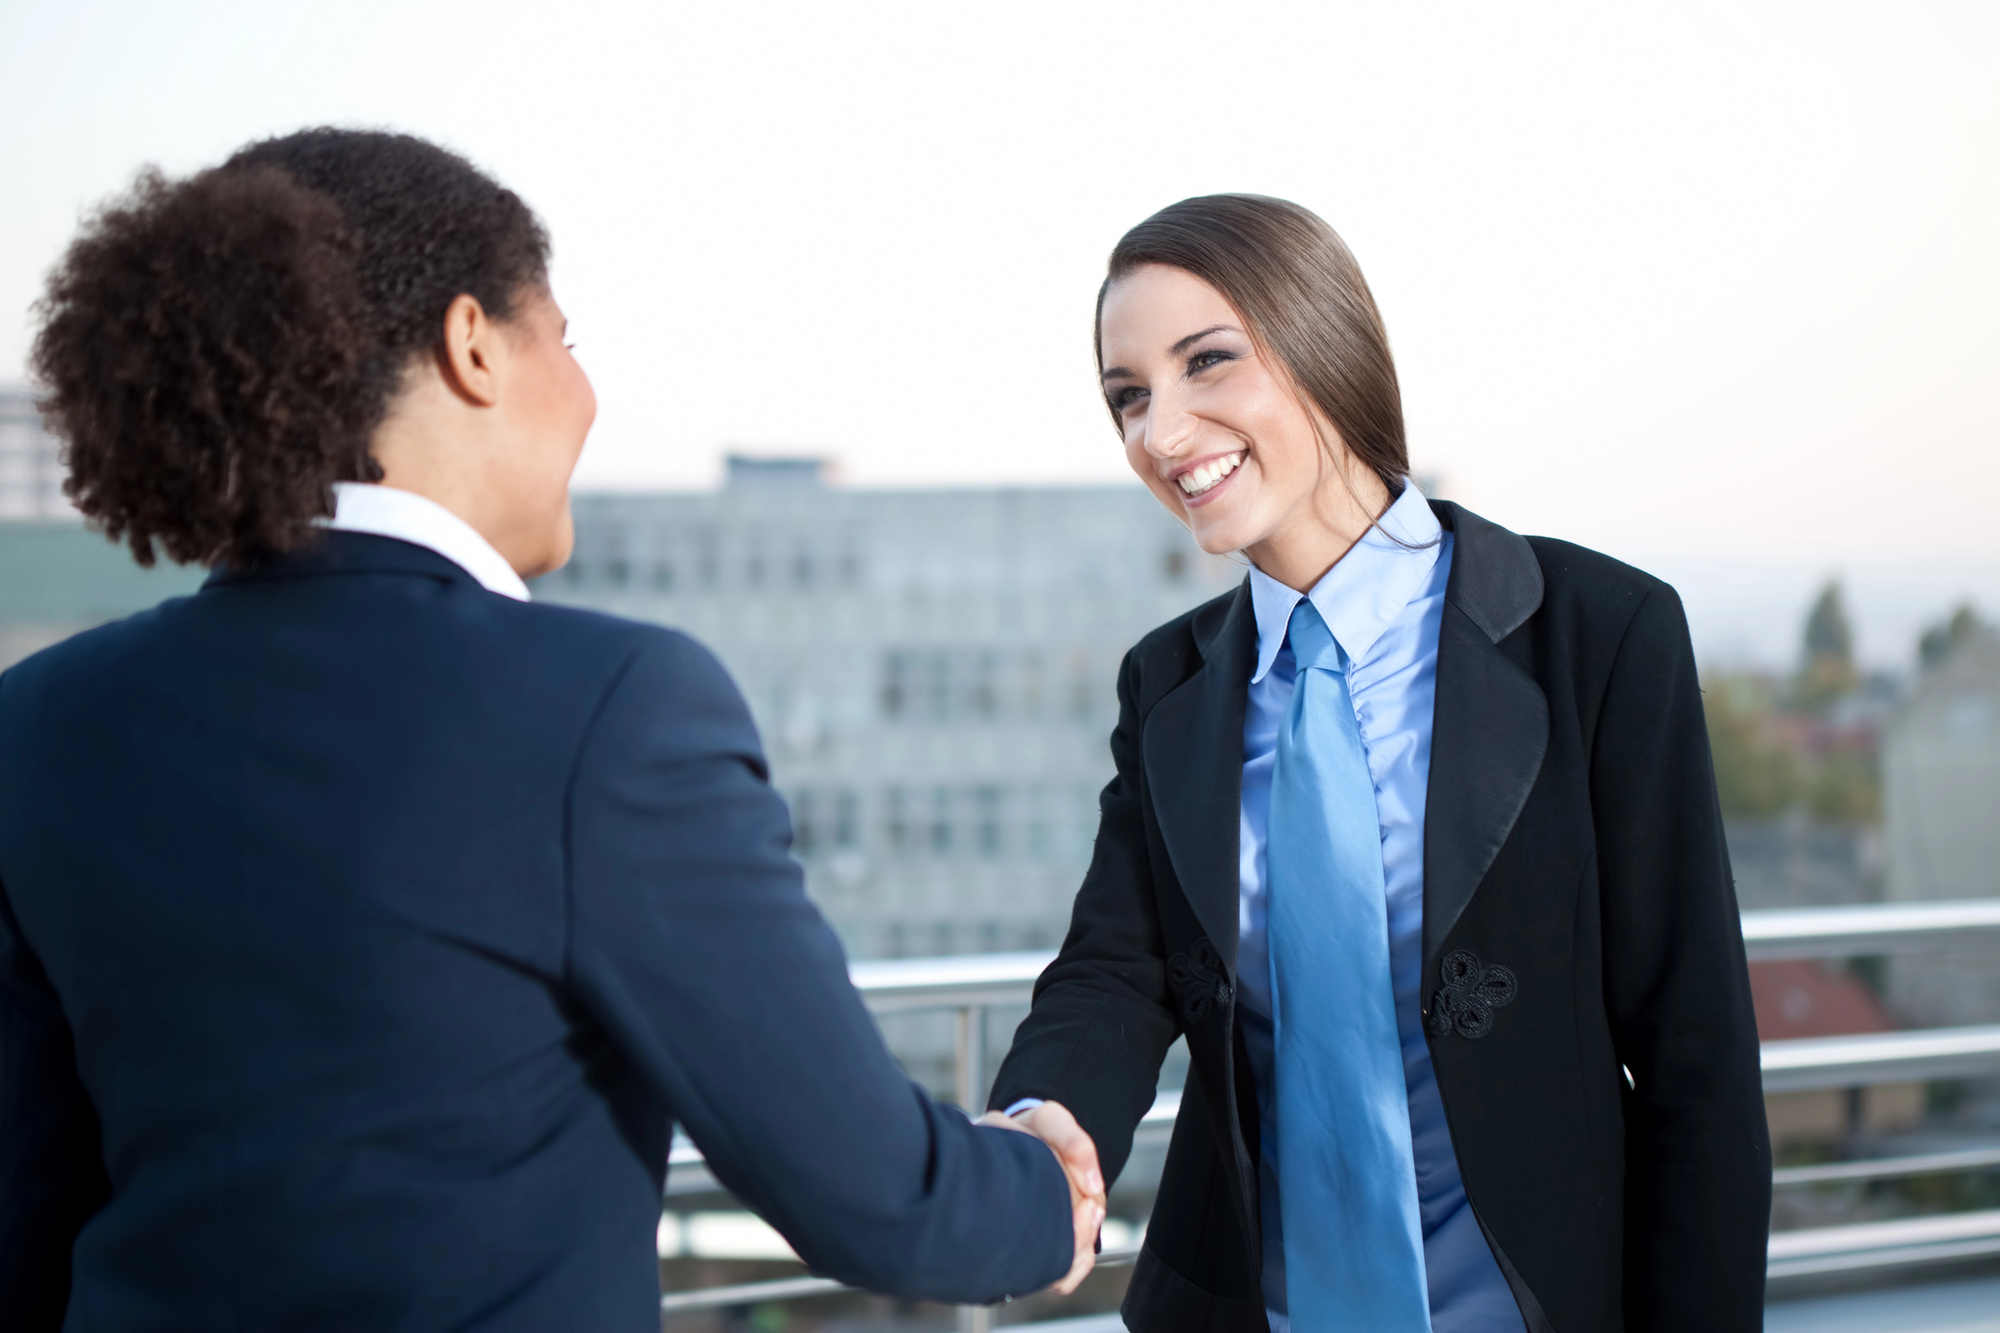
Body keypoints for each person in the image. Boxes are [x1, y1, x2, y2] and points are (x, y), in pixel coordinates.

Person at [0, 128, 1104, 1331]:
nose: (583, 387)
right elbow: (876, 1191)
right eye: (562, 338)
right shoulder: (607, 704)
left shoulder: (45, 718)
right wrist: (1046, 1189)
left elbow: (27, 1206)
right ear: (472, 344)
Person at [988, 195, 1771, 1332]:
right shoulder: (1168, 685)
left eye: (1206, 362)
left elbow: (1694, 1060)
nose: (1160, 434)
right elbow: (1116, 965)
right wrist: (1039, 1120)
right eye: (1128, 397)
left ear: (1322, 341)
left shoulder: (1597, 634)